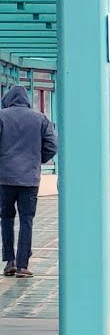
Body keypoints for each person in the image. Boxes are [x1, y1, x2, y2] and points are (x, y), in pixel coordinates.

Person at [0, 87, 57, 278]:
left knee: (6, 218)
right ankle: (22, 265)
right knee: (27, 220)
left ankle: (9, 261)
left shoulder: (2, 117)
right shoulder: (40, 118)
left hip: (5, 178)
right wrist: (36, 160)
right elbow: (52, 145)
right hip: (29, 179)